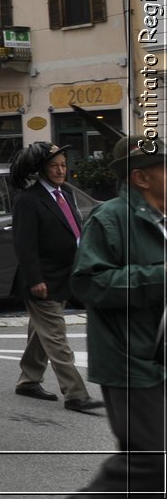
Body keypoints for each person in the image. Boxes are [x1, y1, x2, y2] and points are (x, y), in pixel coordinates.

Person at [67, 134, 167, 497]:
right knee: (150, 462)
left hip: (160, 355)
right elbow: (89, 284)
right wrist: (160, 276)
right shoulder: (110, 219)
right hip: (130, 358)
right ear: (141, 177)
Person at [9, 142, 104, 413]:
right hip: (43, 281)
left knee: (42, 333)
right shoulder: (28, 200)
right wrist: (34, 279)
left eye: (63, 165)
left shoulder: (65, 195)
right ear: (41, 170)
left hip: (65, 275)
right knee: (56, 336)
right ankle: (75, 394)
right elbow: (24, 245)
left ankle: (28, 380)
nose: (61, 170)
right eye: (54, 166)